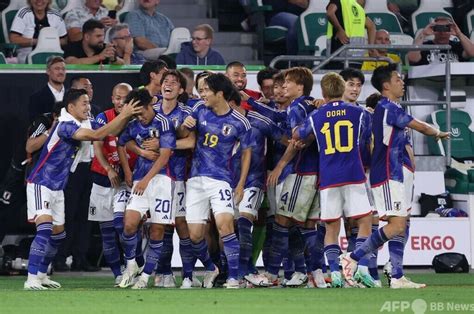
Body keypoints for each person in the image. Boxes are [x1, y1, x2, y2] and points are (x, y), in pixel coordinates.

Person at [341, 63, 450, 288]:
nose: (402, 83)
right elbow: (419, 125)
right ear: (386, 85)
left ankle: (397, 274)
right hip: (389, 174)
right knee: (397, 225)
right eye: (397, 79)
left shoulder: (392, 107)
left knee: (402, 223)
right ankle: (353, 257)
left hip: (400, 173)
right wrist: (437, 132)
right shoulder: (387, 107)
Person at [23, 88, 139, 290]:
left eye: (88, 102)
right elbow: (97, 135)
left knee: (58, 235)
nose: (88, 107)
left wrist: (124, 115)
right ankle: (31, 278)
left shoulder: (81, 123)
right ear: (71, 107)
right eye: (84, 103)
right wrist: (126, 113)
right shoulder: (65, 125)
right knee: (44, 231)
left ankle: (42, 275)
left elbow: (109, 131)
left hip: (58, 187)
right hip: (41, 182)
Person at [180, 73, 253, 289]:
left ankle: (233, 277)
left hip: (221, 180)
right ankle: (212, 268)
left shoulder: (240, 121)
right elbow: (185, 135)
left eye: (206, 91)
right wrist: (185, 125)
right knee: (194, 236)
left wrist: (240, 185)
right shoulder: (199, 110)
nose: (203, 95)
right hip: (195, 180)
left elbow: (247, 153)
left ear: (219, 94)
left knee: (225, 227)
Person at [117, 89, 176, 289]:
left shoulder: (164, 123)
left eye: (142, 112)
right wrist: (130, 165)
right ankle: (132, 264)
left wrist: (146, 180)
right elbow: (122, 142)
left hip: (161, 181)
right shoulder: (133, 125)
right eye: (136, 114)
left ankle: (145, 277)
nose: (140, 117)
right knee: (129, 224)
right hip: (140, 179)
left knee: (157, 229)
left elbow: (165, 155)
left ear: (150, 106)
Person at [87, 82, 133, 285]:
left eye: (124, 97)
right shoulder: (102, 117)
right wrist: (108, 168)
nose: (119, 101)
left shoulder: (137, 118)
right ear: (112, 99)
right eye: (116, 97)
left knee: (122, 227)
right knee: (106, 233)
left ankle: (133, 265)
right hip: (101, 179)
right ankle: (118, 274)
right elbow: (97, 146)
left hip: (125, 182)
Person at [326, 0, 377, 68]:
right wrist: (371, 47)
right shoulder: (359, 8)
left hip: (340, 56)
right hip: (357, 57)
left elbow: (330, 13)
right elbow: (372, 26)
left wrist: (339, 30)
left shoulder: (341, 1)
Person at [407, 16, 474, 65]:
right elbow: (412, 58)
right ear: (433, 29)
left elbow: (472, 53)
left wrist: (459, 33)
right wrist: (423, 33)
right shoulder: (425, 46)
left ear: (451, 30)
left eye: (446, 28)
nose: (442, 32)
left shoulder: (457, 46)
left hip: (454, 81)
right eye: (438, 28)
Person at [28, 56, 66, 122]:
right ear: (48, 71)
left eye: (63, 69)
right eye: (57, 69)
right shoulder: (36, 98)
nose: (61, 72)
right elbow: (35, 125)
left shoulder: (73, 96)